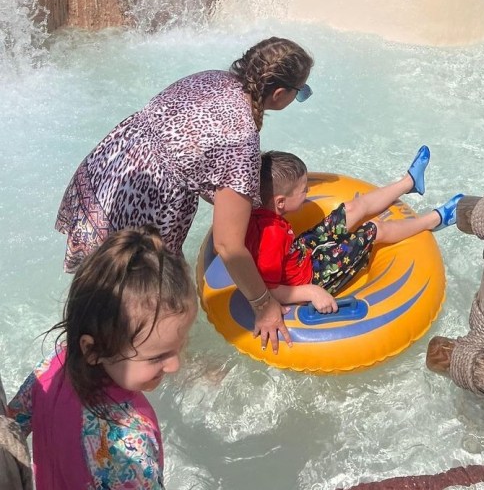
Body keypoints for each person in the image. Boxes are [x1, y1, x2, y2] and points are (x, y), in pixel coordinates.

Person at [55, 36, 313, 353]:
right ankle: (137, 355)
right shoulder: (241, 139)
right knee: (144, 292)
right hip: (149, 204)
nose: (297, 97)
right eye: (300, 93)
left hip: (112, 166)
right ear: (279, 93)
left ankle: (89, 342)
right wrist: (264, 305)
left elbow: (193, 153)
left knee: (104, 282)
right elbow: (228, 246)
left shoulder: (212, 79)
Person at [7, 226, 197, 490]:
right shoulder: (131, 441)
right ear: (93, 350)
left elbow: (11, 425)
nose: (175, 365)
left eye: (180, 344)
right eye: (156, 357)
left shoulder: (52, 367)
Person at [245, 149, 464, 313]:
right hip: (312, 277)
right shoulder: (271, 235)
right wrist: (312, 292)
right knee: (373, 230)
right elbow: (269, 289)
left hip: (300, 253)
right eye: (304, 190)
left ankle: (409, 182)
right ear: (281, 202)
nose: (308, 192)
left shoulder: (254, 209)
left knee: (352, 208)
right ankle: (434, 221)